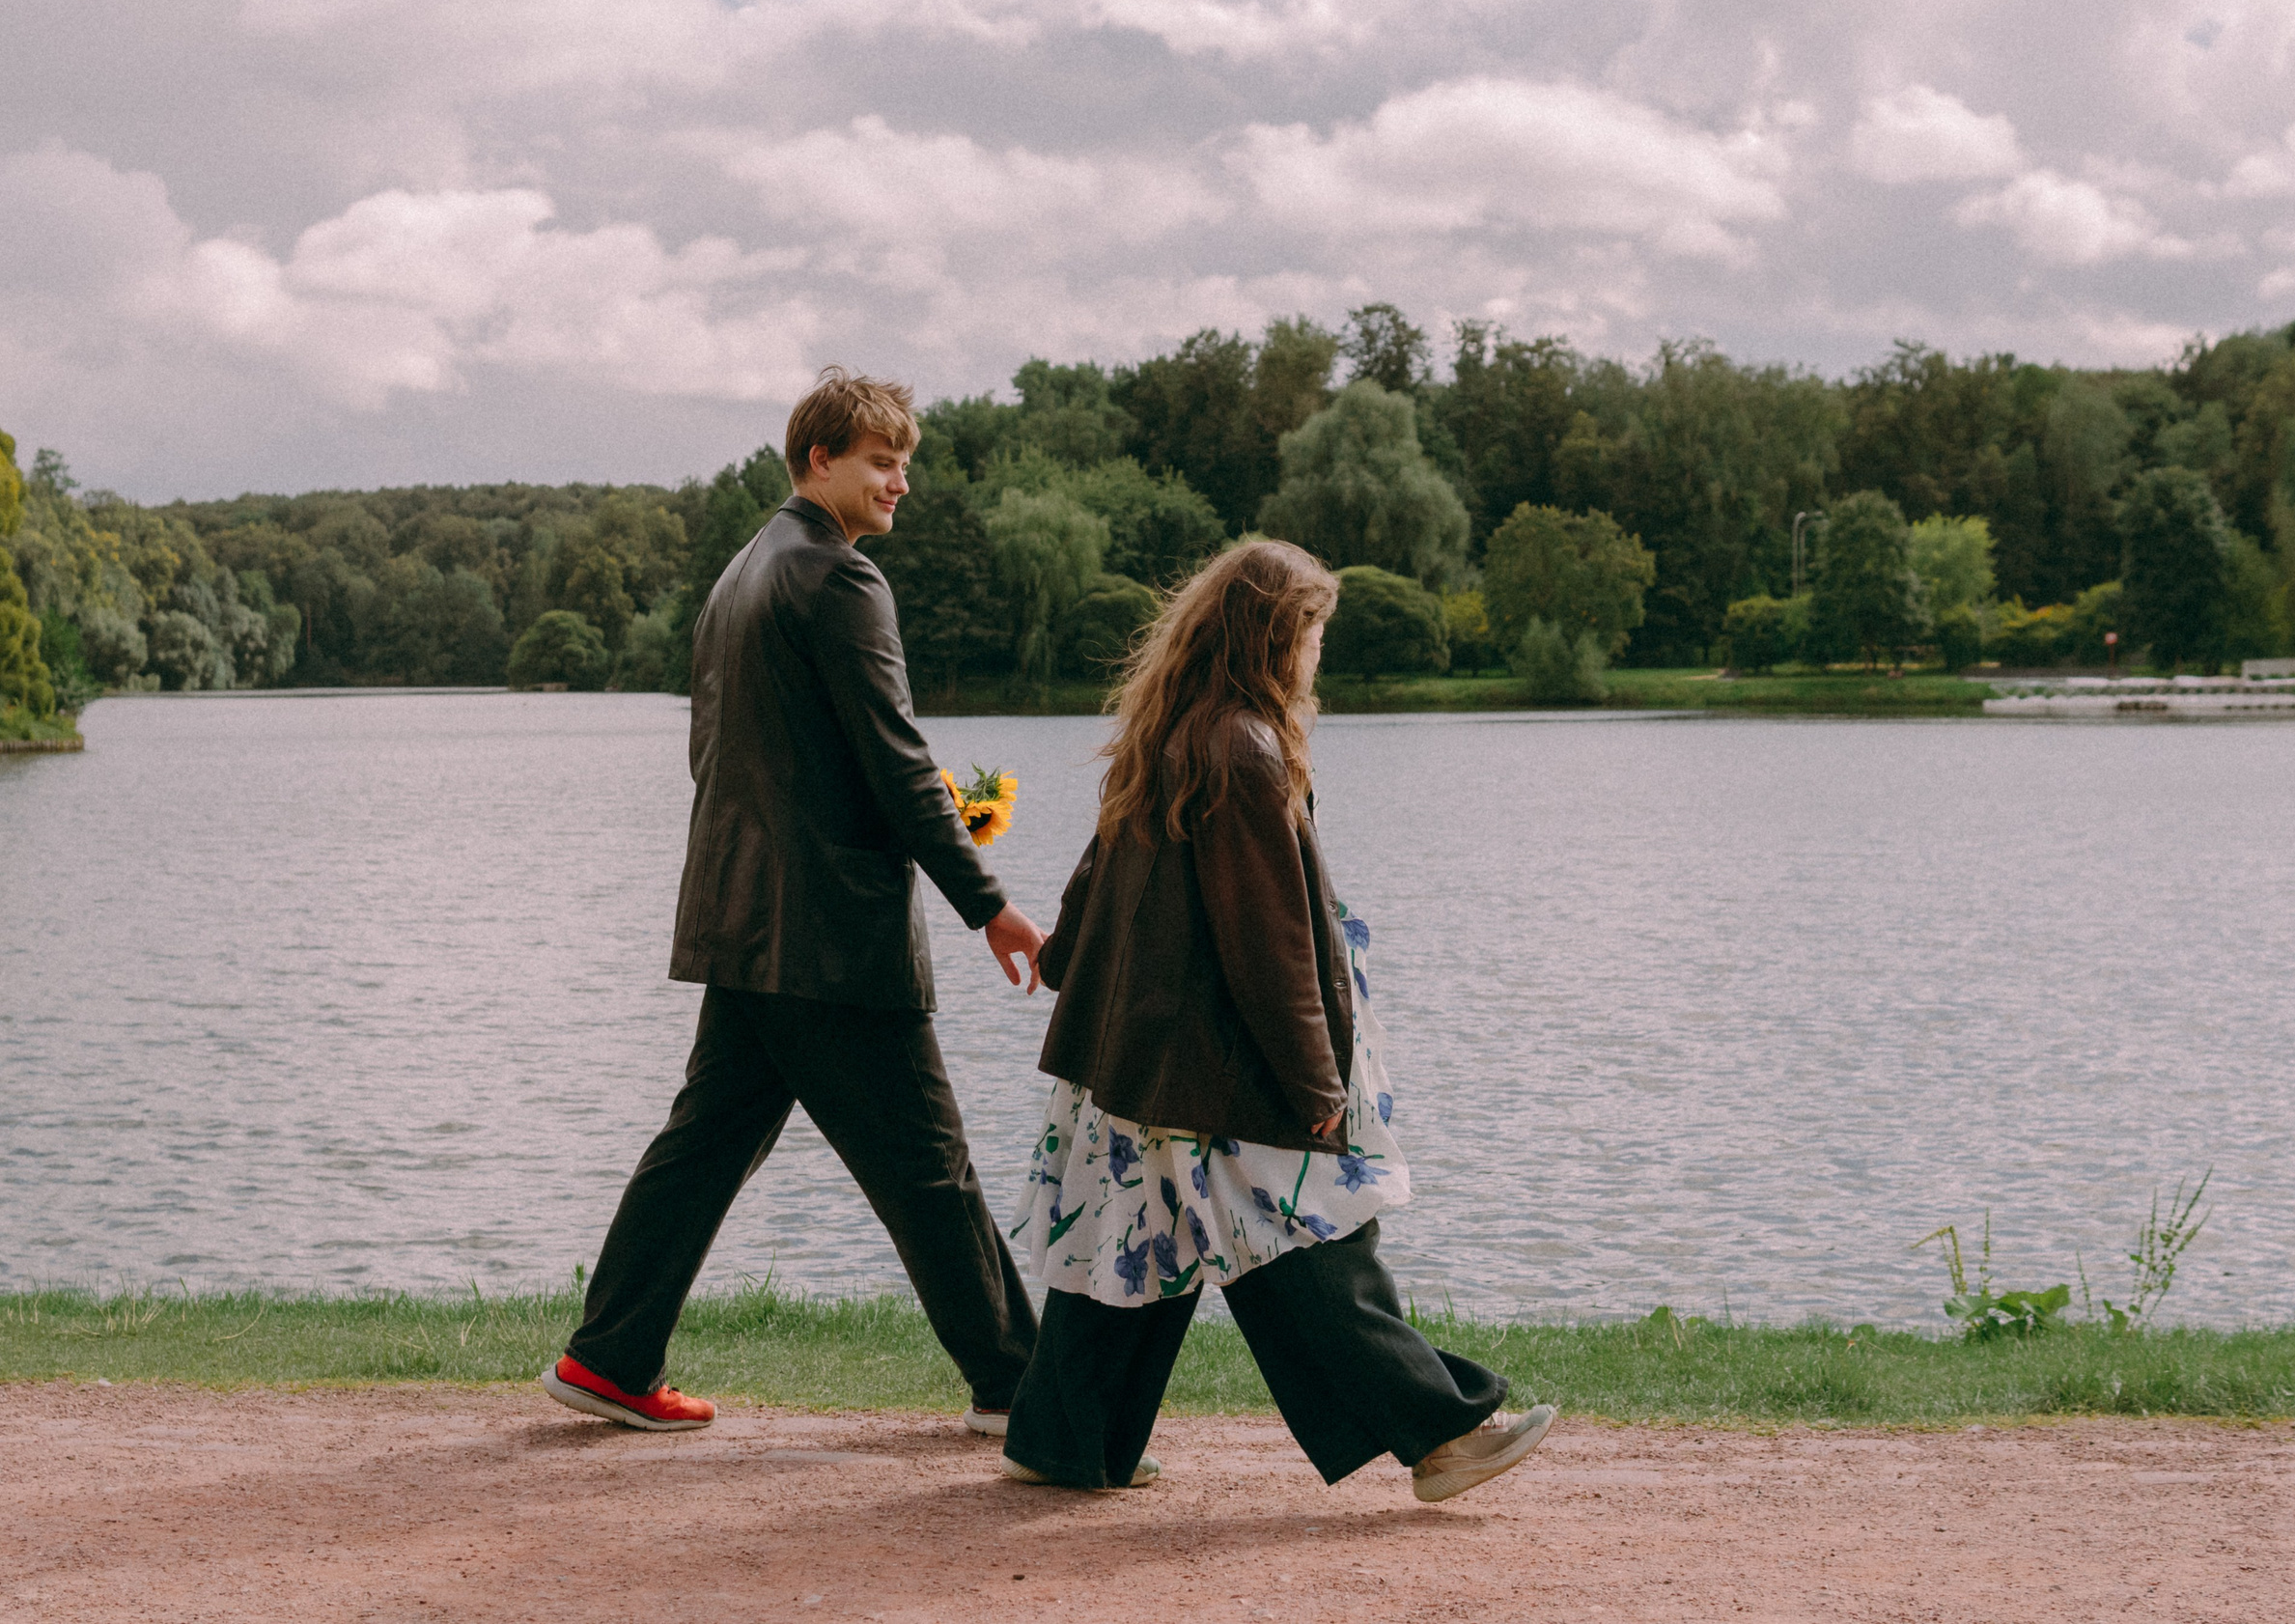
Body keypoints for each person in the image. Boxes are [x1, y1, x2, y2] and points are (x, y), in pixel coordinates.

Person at [542, 367, 1048, 1434]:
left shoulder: (743, 572)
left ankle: (608, 1357)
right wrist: (987, 903)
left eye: (904, 464)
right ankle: (1026, 1392)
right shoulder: (838, 578)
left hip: (743, 919)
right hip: (828, 937)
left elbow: (735, 757)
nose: (900, 482)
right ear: (821, 458)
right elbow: (897, 763)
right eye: (881, 462)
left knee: (704, 1147)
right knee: (929, 1167)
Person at [1001, 539, 1555, 1498]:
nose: (1316, 653)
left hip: (1144, 1058)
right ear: (1269, 637)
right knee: (1310, 1243)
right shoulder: (1244, 750)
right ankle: (1439, 1432)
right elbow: (1269, 945)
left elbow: (1095, 875)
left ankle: (1061, 1441)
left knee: (1136, 1237)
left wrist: (1064, 962)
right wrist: (1315, 1087)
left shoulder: (1169, 730)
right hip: (1214, 1067)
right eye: (1311, 633)